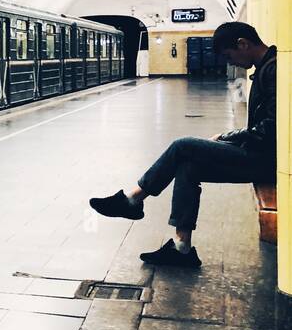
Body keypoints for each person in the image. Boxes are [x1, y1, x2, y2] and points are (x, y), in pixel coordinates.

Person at [88, 21, 276, 268]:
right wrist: (229, 136)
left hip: (263, 159)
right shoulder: (268, 67)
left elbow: (271, 129)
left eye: (229, 56)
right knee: (187, 166)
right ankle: (181, 248)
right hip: (260, 154)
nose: (230, 63)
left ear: (243, 44)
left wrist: (230, 136)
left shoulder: (273, 71)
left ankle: (133, 199)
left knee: (183, 146)